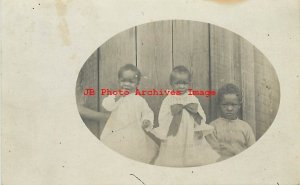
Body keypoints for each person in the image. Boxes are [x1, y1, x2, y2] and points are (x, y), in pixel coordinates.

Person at [150, 66, 219, 167]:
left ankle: (191, 163)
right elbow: (163, 115)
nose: (181, 86)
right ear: (171, 84)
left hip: (190, 129)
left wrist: (200, 128)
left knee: (193, 149)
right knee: (174, 150)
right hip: (175, 130)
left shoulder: (192, 97)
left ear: (189, 83)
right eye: (178, 83)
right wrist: (165, 128)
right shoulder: (169, 99)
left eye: (184, 83)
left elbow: (198, 113)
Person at [100, 64, 158, 163]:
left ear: (137, 83)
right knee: (116, 151)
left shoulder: (139, 100)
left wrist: (146, 120)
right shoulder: (116, 96)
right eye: (123, 81)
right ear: (119, 81)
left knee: (133, 152)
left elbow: (147, 112)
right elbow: (107, 105)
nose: (126, 84)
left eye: (131, 82)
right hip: (116, 130)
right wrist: (118, 96)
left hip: (133, 132)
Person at [206, 83, 256, 161]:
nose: (229, 108)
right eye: (225, 104)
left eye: (233, 105)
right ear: (219, 105)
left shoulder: (245, 127)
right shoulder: (212, 127)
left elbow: (252, 150)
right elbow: (213, 153)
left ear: (239, 105)